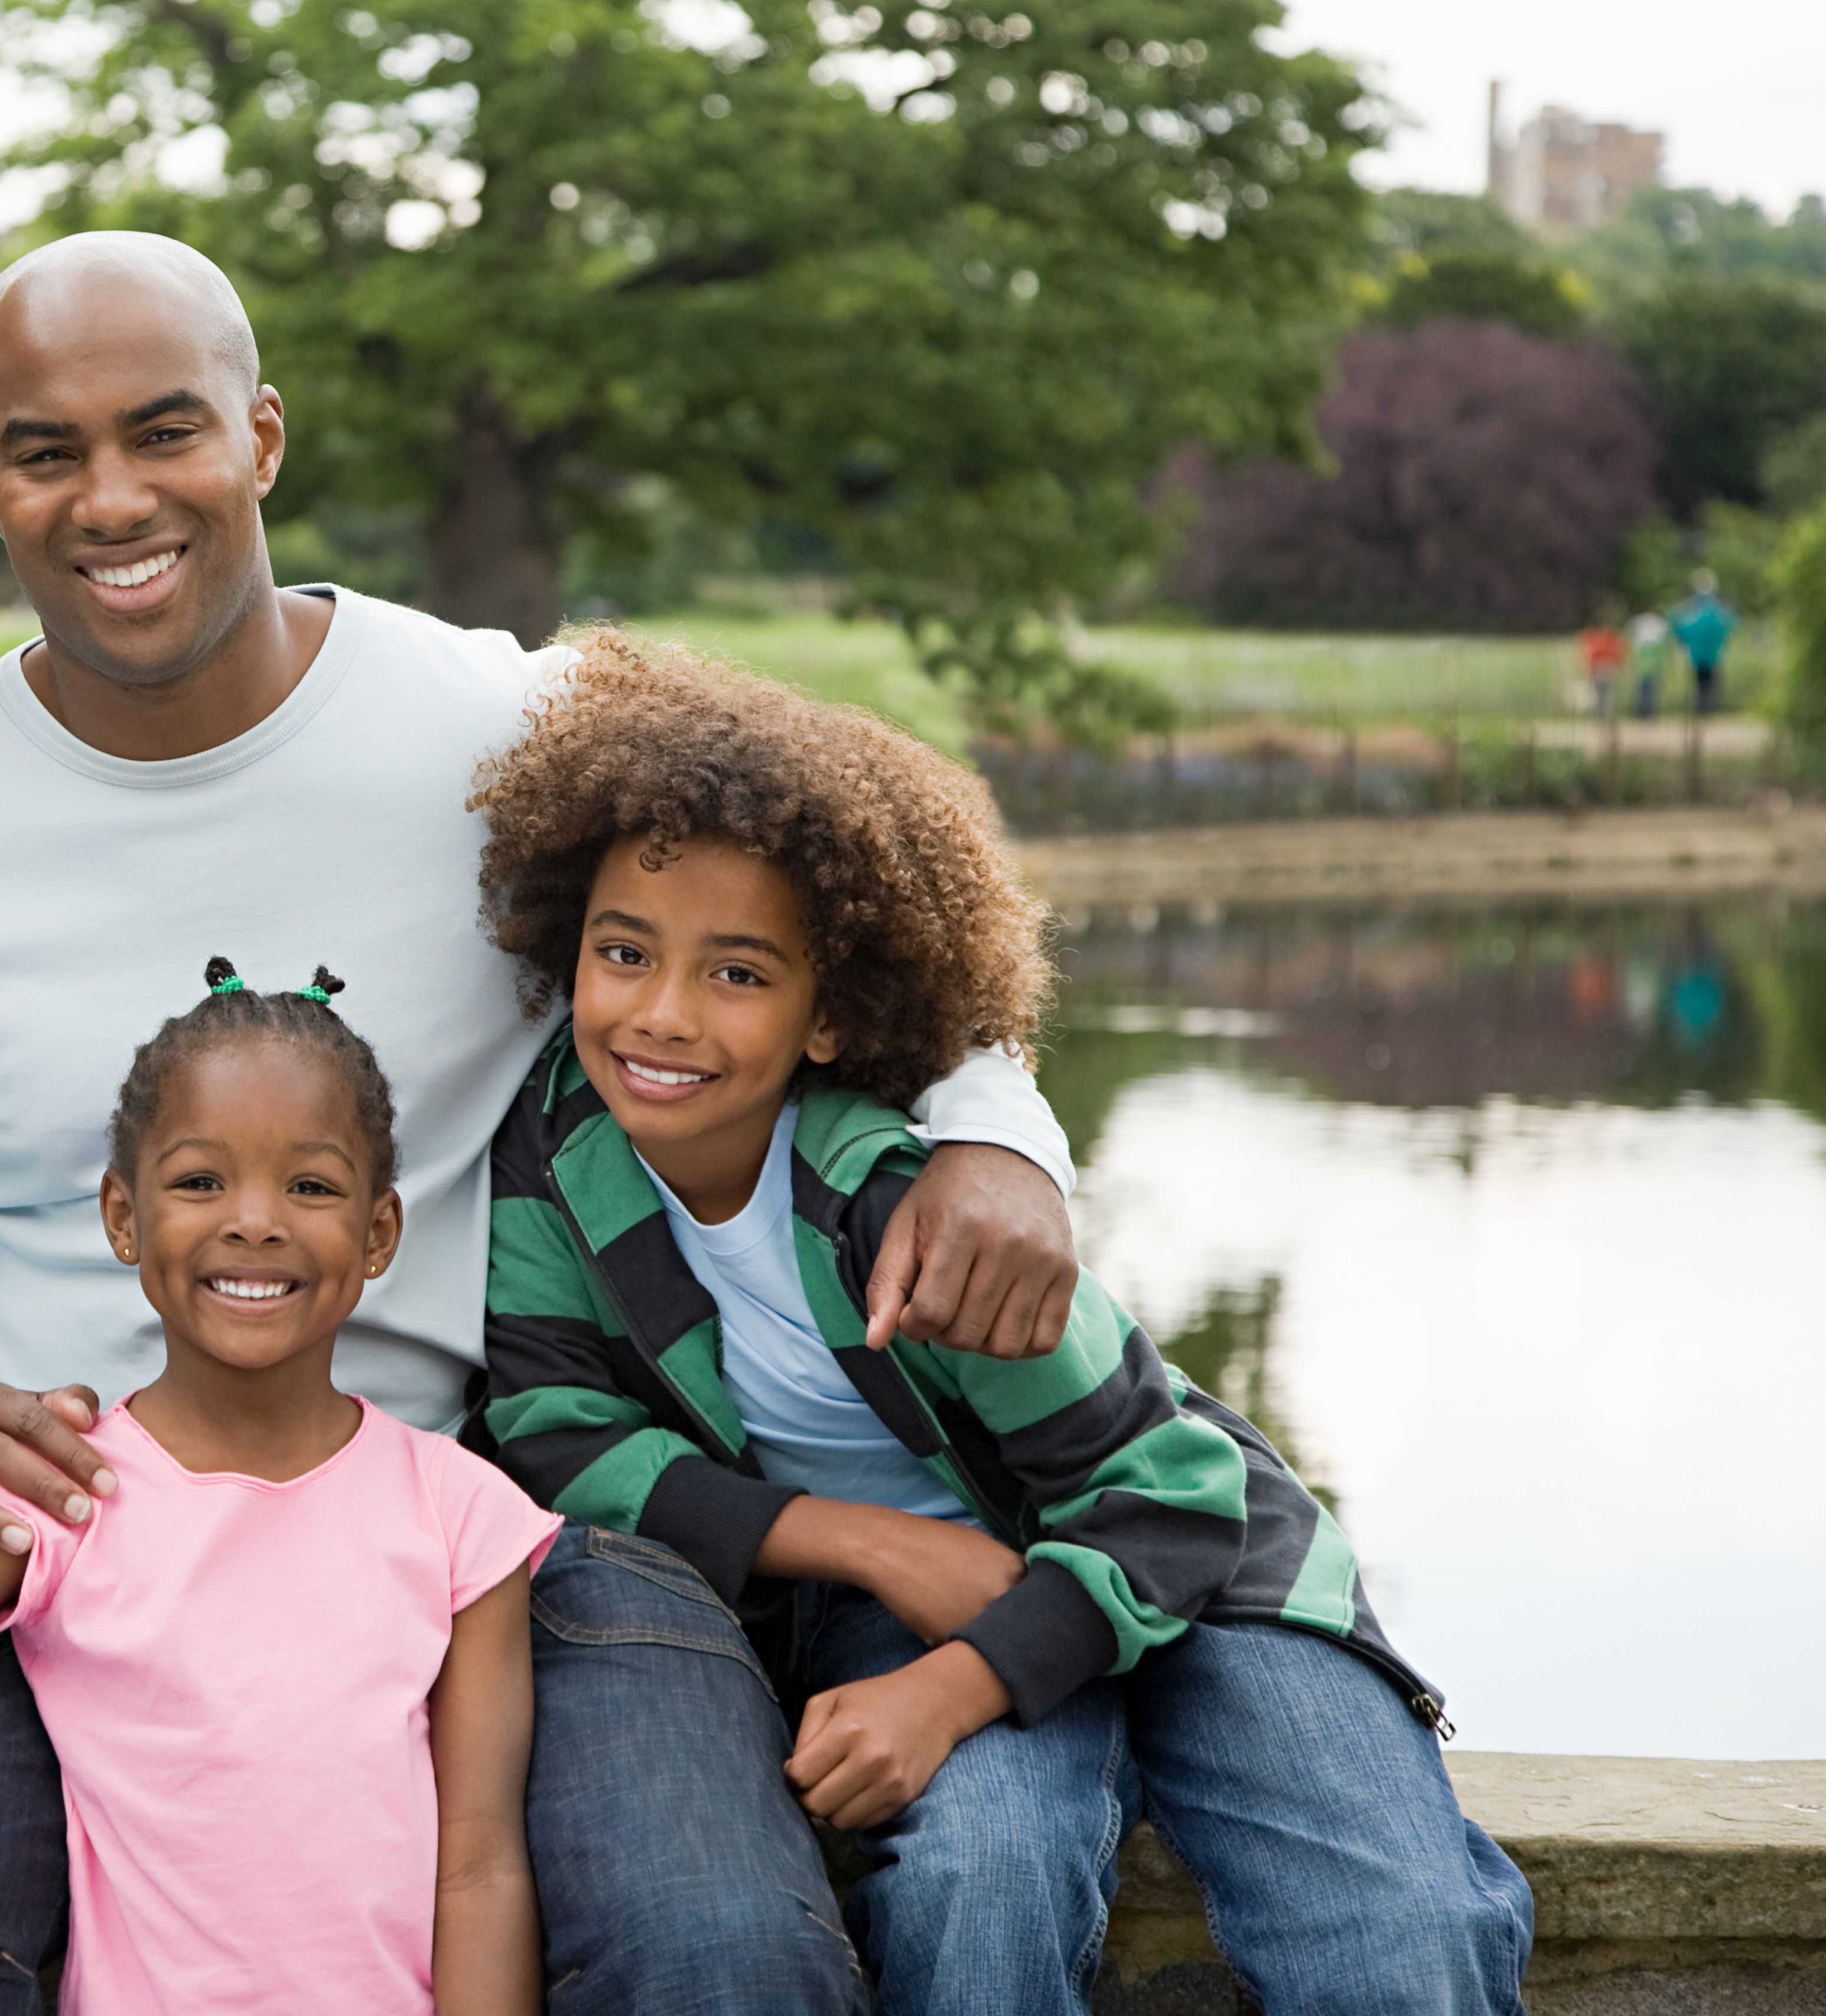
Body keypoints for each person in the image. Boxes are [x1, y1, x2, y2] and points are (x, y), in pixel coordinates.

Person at [0, 229, 1086, 2010]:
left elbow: (852, 873)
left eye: (166, 431)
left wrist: (995, 1129)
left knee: (726, 1947)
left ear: (261, 437)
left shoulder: (498, 723)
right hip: (77, 1541)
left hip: (516, 1513)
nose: (112, 498)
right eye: (47, 452)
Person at [477, 631, 1533, 2015]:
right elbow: (559, 1436)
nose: (661, 1013)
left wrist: (954, 1688)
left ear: (830, 1016)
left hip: (1191, 1569)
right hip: (918, 1591)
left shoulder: (911, 1213)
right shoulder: (554, 1152)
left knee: (1401, 1933)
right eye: (624, 951)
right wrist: (870, 1542)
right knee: (976, 1891)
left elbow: (1172, 1498)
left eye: (737, 973)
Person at [0, 962, 556, 2016]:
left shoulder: (459, 1515)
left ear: (379, 1232)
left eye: (311, 1187)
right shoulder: (61, 1497)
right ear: (124, 1216)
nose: (255, 1221)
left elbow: (480, 1866)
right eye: (200, 1182)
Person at [1668, 569, 1736, 718]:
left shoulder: (1693, 616)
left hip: (1699, 656)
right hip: (1712, 656)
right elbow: (1731, 625)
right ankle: (1708, 709)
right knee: (1710, 683)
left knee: (1701, 684)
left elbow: (1677, 626)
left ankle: (1703, 709)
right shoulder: (1717, 614)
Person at [1578, 611, 1626, 720]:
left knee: (1600, 697)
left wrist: (1589, 669)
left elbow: (1591, 655)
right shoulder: (1611, 638)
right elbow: (1618, 653)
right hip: (1607, 668)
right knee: (1607, 697)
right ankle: (1605, 719)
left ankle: (1601, 719)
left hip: (1600, 668)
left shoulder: (1595, 639)